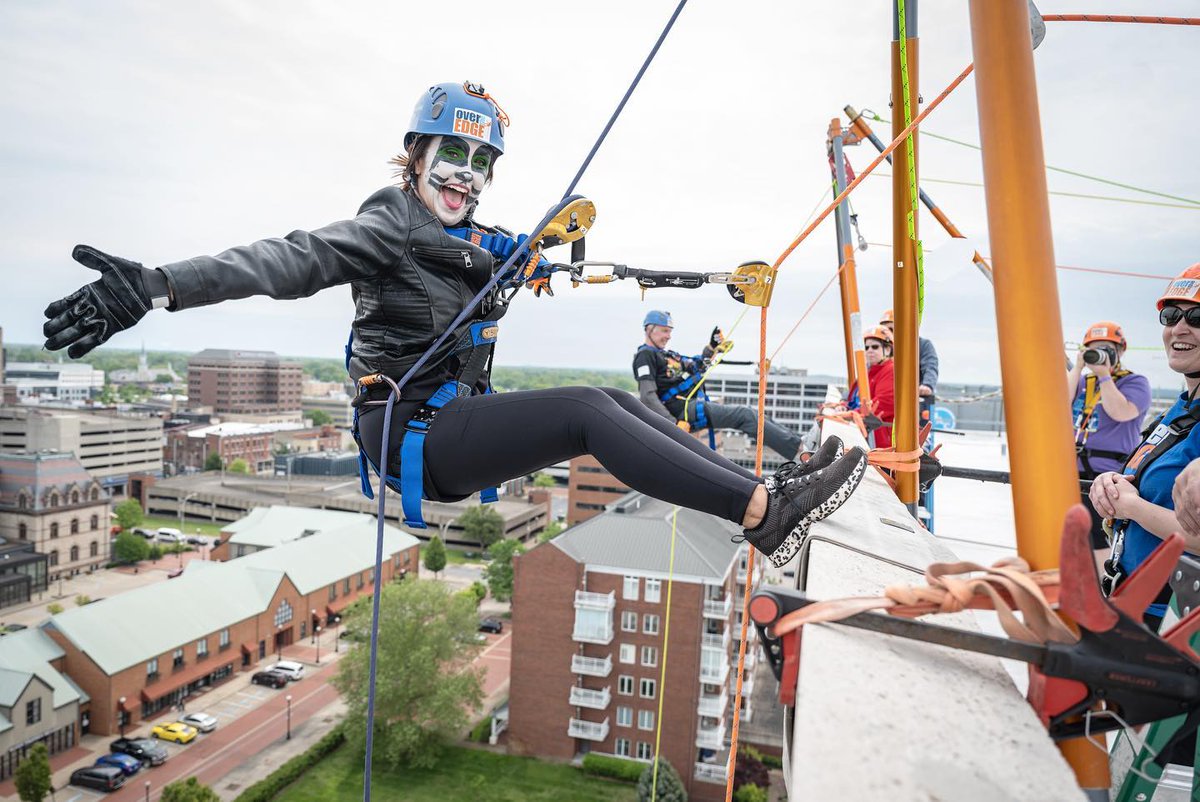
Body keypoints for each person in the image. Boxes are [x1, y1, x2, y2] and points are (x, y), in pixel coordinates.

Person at [40, 81, 868, 570]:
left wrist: (529, 256)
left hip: (441, 426)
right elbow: (289, 258)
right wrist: (155, 286)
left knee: (613, 400)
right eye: (452, 158)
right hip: (409, 430)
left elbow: (488, 258)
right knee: (585, 409)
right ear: (415, 155)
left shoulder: (470, 242)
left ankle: (767, 497)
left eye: (481, 166)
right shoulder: (389, 223)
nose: (466, 178)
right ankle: (766, 512)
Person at [1090, 265, 1200, 630]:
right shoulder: (1181, 409)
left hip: (1171, 622)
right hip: (1128, 600)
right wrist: (1111, 483)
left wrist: (1132, 507)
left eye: (1197, 317)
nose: (1179, 328)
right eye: (1171, 315)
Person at [633, 311, 805, 460]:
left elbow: (697, 365)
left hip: (688, 406)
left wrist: (712, 347)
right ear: (649, 329)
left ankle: (801, 442)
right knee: (745, 416)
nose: (668, 336)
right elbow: (648, 396)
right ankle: (801, 450)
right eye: (664, 331)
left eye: (669, 332)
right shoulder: (645, 356)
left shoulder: (666, 355)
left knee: (753, 414)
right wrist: (672, 425)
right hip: (681, 412)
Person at [1067, 321, 1151, 549]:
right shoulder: (1083, 382)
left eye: (1107, 349)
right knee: (1066, 536)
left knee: (1098, 539)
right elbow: (1057, 404)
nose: (1101, 355)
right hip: (1071, 471)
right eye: (1094, 349)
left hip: (1107, 475)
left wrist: (1104, 376)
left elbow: (1121, 412)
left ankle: (1099, 584)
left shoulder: (1134, 382)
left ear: (1121, 351)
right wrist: (1077, 368)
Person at [879, 309, 938, 402]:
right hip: (887, 398)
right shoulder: (879, 348)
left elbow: (930, 367)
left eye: (891, 329)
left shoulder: (922, 345)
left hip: (914, 399)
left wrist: (927, 385)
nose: (888, 334)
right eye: (884, 331)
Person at [862, 326, 895, 449]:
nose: (869, 350)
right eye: (866, 347)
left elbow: (884, 402)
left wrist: (852, 414)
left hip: (885, 442)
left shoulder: (891, 370)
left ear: (887, 349)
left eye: (875, 347)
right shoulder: (871, 372)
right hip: (875, 437)